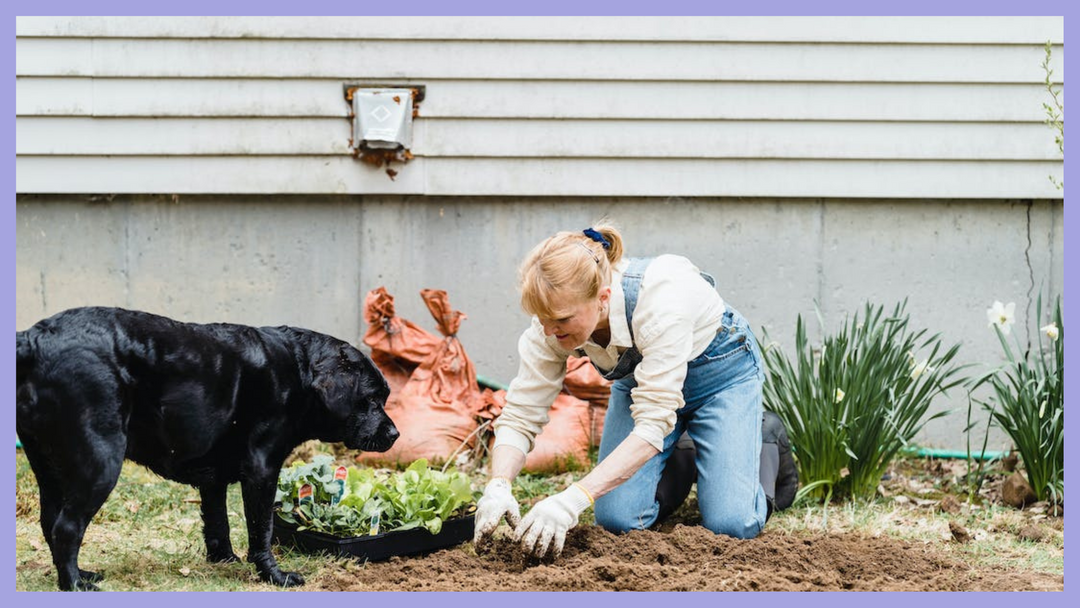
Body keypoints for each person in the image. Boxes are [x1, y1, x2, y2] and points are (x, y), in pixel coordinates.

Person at [473, 223, 798, 558]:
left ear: (603, 299)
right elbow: (522, 412)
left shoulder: (659, 304)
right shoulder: (552, 323)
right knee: (617, 520)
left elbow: (652, 424)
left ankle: (765, 439)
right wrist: (499, 484)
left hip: (720, 377)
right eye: (542, 319)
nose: (549, 331)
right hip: (646, 387)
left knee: (732, 525)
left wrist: (572, 499)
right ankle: (684, 453)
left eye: (561, 320)